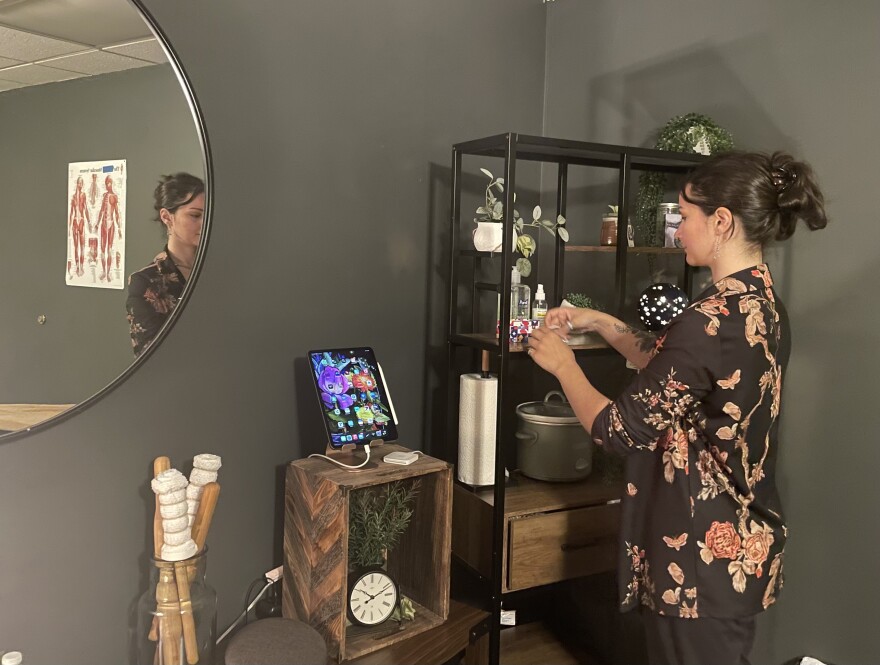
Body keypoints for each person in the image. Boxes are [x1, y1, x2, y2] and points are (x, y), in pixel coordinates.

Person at [527, 151, 827, 665]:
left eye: (684, 217)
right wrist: (599, 321)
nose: (678, 230)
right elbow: (671, 368)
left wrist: (562, 366)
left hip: (698, 563)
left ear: (722, 221)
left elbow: (617, 430)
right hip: (739, 546)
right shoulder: (759, 305)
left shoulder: (709, 319)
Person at [126, 173, 205, 357]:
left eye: (207, 215)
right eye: (195, 215)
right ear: (167, 217)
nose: (204, 223)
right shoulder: (146, 281)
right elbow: (148, 356)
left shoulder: (217, 270)